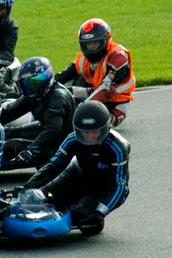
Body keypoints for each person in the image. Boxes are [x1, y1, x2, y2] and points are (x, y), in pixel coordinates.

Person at [23, 100, 130, 235]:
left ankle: (84, 211)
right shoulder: (72, 139)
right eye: (86, 132)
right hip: (77, 175)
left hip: (104, 187)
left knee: (82, 216)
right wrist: (28, 187)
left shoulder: (118, 148)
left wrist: (99, 213)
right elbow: (54, 166)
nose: (90, 137)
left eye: (95, 132)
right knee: (37, 199)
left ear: (104, 129)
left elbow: (119, 185)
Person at [55, 18, 136, 127]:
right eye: (88, 44)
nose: (91, 48)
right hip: (93, 92)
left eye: (95, 43)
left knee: (89, 124)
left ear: (105, 40)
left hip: (114, 104)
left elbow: (105, 91)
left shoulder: (118, 57)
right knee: (62, 90)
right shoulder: (83, 60)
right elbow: (62, 76)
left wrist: (82, 108)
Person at [0, 57, 75, 171]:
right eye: (27, 82)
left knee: (12, 146)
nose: (30, 85)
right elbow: (10, 112)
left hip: (61, 144)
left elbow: (52, 131)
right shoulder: (35, 94)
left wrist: (31, 149)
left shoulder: (58, 98)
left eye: (33, 82)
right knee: (6, 133)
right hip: (44, 130)